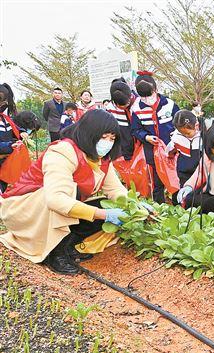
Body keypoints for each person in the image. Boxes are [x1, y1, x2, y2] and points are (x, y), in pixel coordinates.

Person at [0, 109, 142, 275]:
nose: (108, 142)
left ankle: (69, 245)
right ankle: (55, 253)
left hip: (50, 207)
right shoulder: (63, 151)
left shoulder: (100, 158)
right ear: (89, 133)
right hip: (24, 209)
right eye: (103, 137)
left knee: (103, 204)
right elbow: (56, 199)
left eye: (112, 138)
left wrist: (136, 207)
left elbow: (115, 190)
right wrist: (104, 214)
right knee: (71, 194)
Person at [130, 71, 180, 203]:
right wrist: (146, 137)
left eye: (150, 95)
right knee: (157, 182)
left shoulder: (169, 104)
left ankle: (178, 204)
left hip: (171, 150)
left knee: (175, 178)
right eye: (143, 97)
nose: (147, 99)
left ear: (156, 89)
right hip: (152, 151)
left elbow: (180, 123)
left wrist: (175, 135)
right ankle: (160, 207)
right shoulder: (136, 108)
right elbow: (135, 129)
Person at [167, 110, 201, 202]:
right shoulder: (176, 138)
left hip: (199, 172)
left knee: (198, 196)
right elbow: (169, 152)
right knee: (185, 196)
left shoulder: (203, 137)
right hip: (184, 173)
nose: (186, 135)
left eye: (188, 133)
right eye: (183, 134)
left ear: (196, 126)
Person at [105, 78, 139, 161]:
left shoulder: (138, 104)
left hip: (140, 148)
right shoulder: (110, 108)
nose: (124, 107)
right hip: (122, 150)